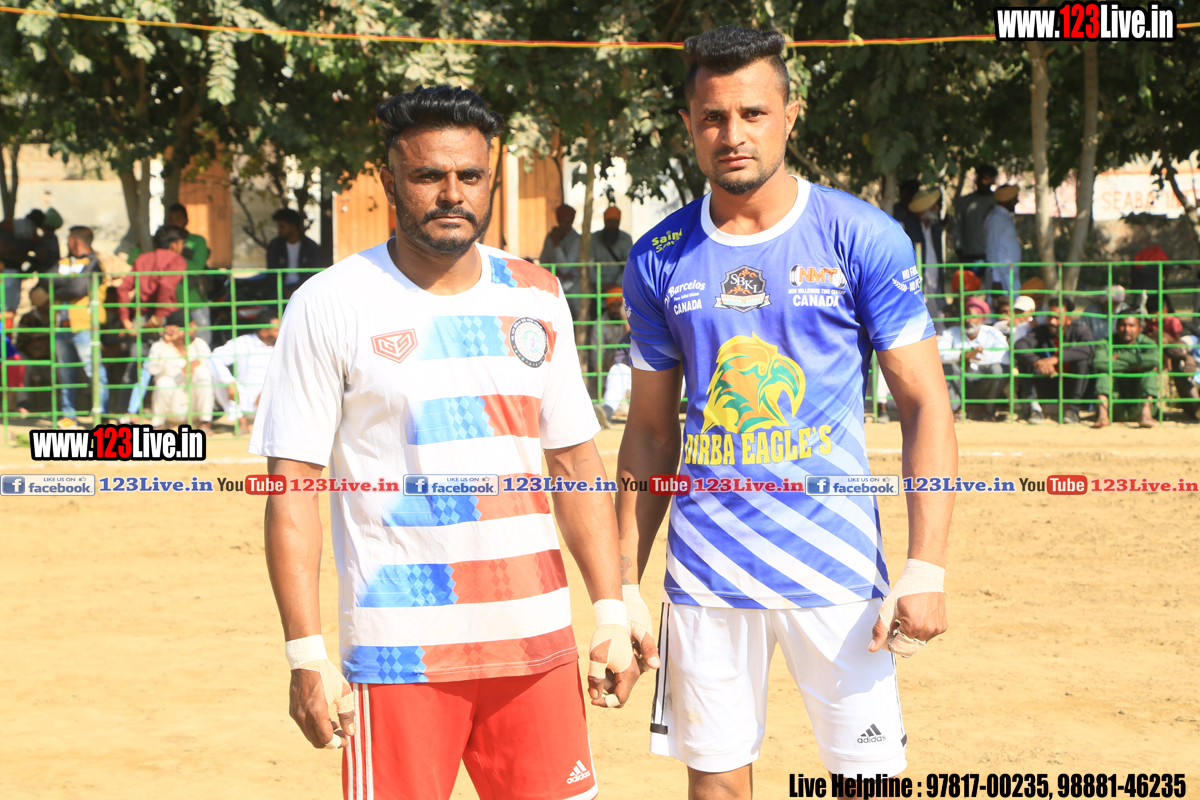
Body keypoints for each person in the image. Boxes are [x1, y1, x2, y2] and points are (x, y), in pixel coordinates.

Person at [250, 85, 640, 800]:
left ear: (492, 180)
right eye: (429, 175)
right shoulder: (330, 303)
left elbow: (575, 463)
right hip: (400, 654)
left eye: (470, 175)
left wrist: (611, 612)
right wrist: (305, 654)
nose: (451, 193)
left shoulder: (537, 295)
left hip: (537, 646)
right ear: (390, 180)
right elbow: (292, 489)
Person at [616, 28, 954, 798]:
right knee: (716, 785)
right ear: (689, 125)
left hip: (834, 564)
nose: (733, 134)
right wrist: (622, 589)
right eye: (713, 117)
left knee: (868, 781)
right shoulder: (658, 255)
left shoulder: (860, 235)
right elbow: (650, 432)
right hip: (705, 571)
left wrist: (926, 566)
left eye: (753, 113)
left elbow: (925, 402)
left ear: (790, 116)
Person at [40, 226, 109, 423]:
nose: (67, 243)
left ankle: (101, 416)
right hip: (61, 325)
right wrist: (68, 285)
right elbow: (44, 281)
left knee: (93, 370)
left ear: (75, 241)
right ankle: (68, 416)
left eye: (68, 239)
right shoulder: (63, 262)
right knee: (65, 373)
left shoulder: (94, 263)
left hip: (84, 325)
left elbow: (79, 288)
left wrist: (59, 287)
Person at [1014, 298, 1094, 424]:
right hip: (1046, 383)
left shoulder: (1080, 331)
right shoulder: (1040, 331)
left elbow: (1088, 348)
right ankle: (1034, 409)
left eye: (1057, 318)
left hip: (1071, 386)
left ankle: (1073, 410)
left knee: (1083, 362)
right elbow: (1019, 345)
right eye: (1049, 317)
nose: (1052, 321)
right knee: (1024, 359)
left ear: (1069, 319)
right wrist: (1037, 362)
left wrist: (1056, 359)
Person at [937, 297, 1009, 420]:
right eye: (966, 316)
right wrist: (962, 356)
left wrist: (974, 358)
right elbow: (939, 354)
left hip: (983, 382)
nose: (968, 320)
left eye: (973, 317)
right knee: (946, 366)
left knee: (999, 369)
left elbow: (1005, 356)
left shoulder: (992, 333)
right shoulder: (951, 333)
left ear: (982, 319)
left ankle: (988, 410)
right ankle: (956, 409)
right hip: (960, 381)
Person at [144, 310, 214, 431]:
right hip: (172, 407)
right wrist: (164, 342)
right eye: (191, 325)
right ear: (179, 330)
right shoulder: (161, 346)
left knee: (202, 372)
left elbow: (212, 366)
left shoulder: (199, 344)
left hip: (193, 405)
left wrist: (196, 363)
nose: (195, 328)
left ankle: (204, 422)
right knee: (164, 382)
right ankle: (158, 425)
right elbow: (151, 369)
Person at [208, 311, 278, 423]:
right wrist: (229, 382)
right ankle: (239, 421)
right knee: (217, 376)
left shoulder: (282, 346)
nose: (280, 333)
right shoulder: (244, 342)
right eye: (276, 330)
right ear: (264, 332)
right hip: (243, 401)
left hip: (272, 403)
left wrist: (268, 391)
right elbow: (213, 358)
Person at [1092, 314, 1159, 429]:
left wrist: (1120, 357)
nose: (1127, 329)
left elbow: (1154, 360)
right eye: (1123, 325)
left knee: (1149, 371)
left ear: (1140, 328)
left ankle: (1146, 415)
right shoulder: (1106, 343)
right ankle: (1102, 416)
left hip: (1139, 405)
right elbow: (1099, 363)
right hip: (1114, 407)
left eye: (1131, 325)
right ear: (1116, 327)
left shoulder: (1147, 343)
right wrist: (1136, 365)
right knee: (1104, 373)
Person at [116, 224, 187, 331]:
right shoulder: (177, 260)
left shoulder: (142, 259)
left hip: (142, 315)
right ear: (173, 245)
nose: (182, 247)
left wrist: (125, 318)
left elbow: (123, 287)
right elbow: (166, 285)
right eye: (181, 243)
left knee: (139, 341)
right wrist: (159, 316)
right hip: (166, 317)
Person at [900, 188, 945, 329]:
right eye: (933, 205)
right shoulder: (905, 226)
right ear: (922, 208)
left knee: (938, 319)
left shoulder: (935, 228)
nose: (937, 208)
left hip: (935, 280)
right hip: (917, 281)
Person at [266, 208, 327, 296]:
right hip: (279, 291)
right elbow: (272, 273)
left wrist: (297, 290)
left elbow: (313, 272)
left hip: (304, 290)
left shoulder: (310, 246)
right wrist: (283, 290)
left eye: (282, 226)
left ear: (293, 226)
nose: (279, 230)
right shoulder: (275, 246)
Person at [949, 164, 997, 262]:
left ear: (993, 180)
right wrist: (959, 250)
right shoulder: (965, 202)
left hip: (994, 256)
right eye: (979, 178)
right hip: (970, 255)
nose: (981, 181)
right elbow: (957, 227)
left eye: (985, 178)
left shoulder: (998, 202)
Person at [983, 184, 1020, 299]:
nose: (1017, 201)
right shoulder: (996, 219)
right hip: (1001, 277)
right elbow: (992, 249)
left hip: (1008, 275)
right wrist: (996, 280)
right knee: (1000, 307)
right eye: (1014, 198)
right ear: (1006, 200)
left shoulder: (1003, 217)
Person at [1160, 316, 1200, 419]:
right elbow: (1171, 349)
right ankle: (1197, 406)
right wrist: (1187, 357)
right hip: (1195, 382)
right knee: (1177, 361)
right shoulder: (1194, 340)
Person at [592, 205, 634, 286]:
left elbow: (628, 265)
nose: (612, 225)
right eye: (609, 221)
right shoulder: (594, 238)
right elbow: (590, 264)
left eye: (615, 222)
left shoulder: (626, 239)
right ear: (604, 221)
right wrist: (598, 284)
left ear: (619, 222)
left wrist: (616, 283)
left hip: (619, 285)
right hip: (596, 285)